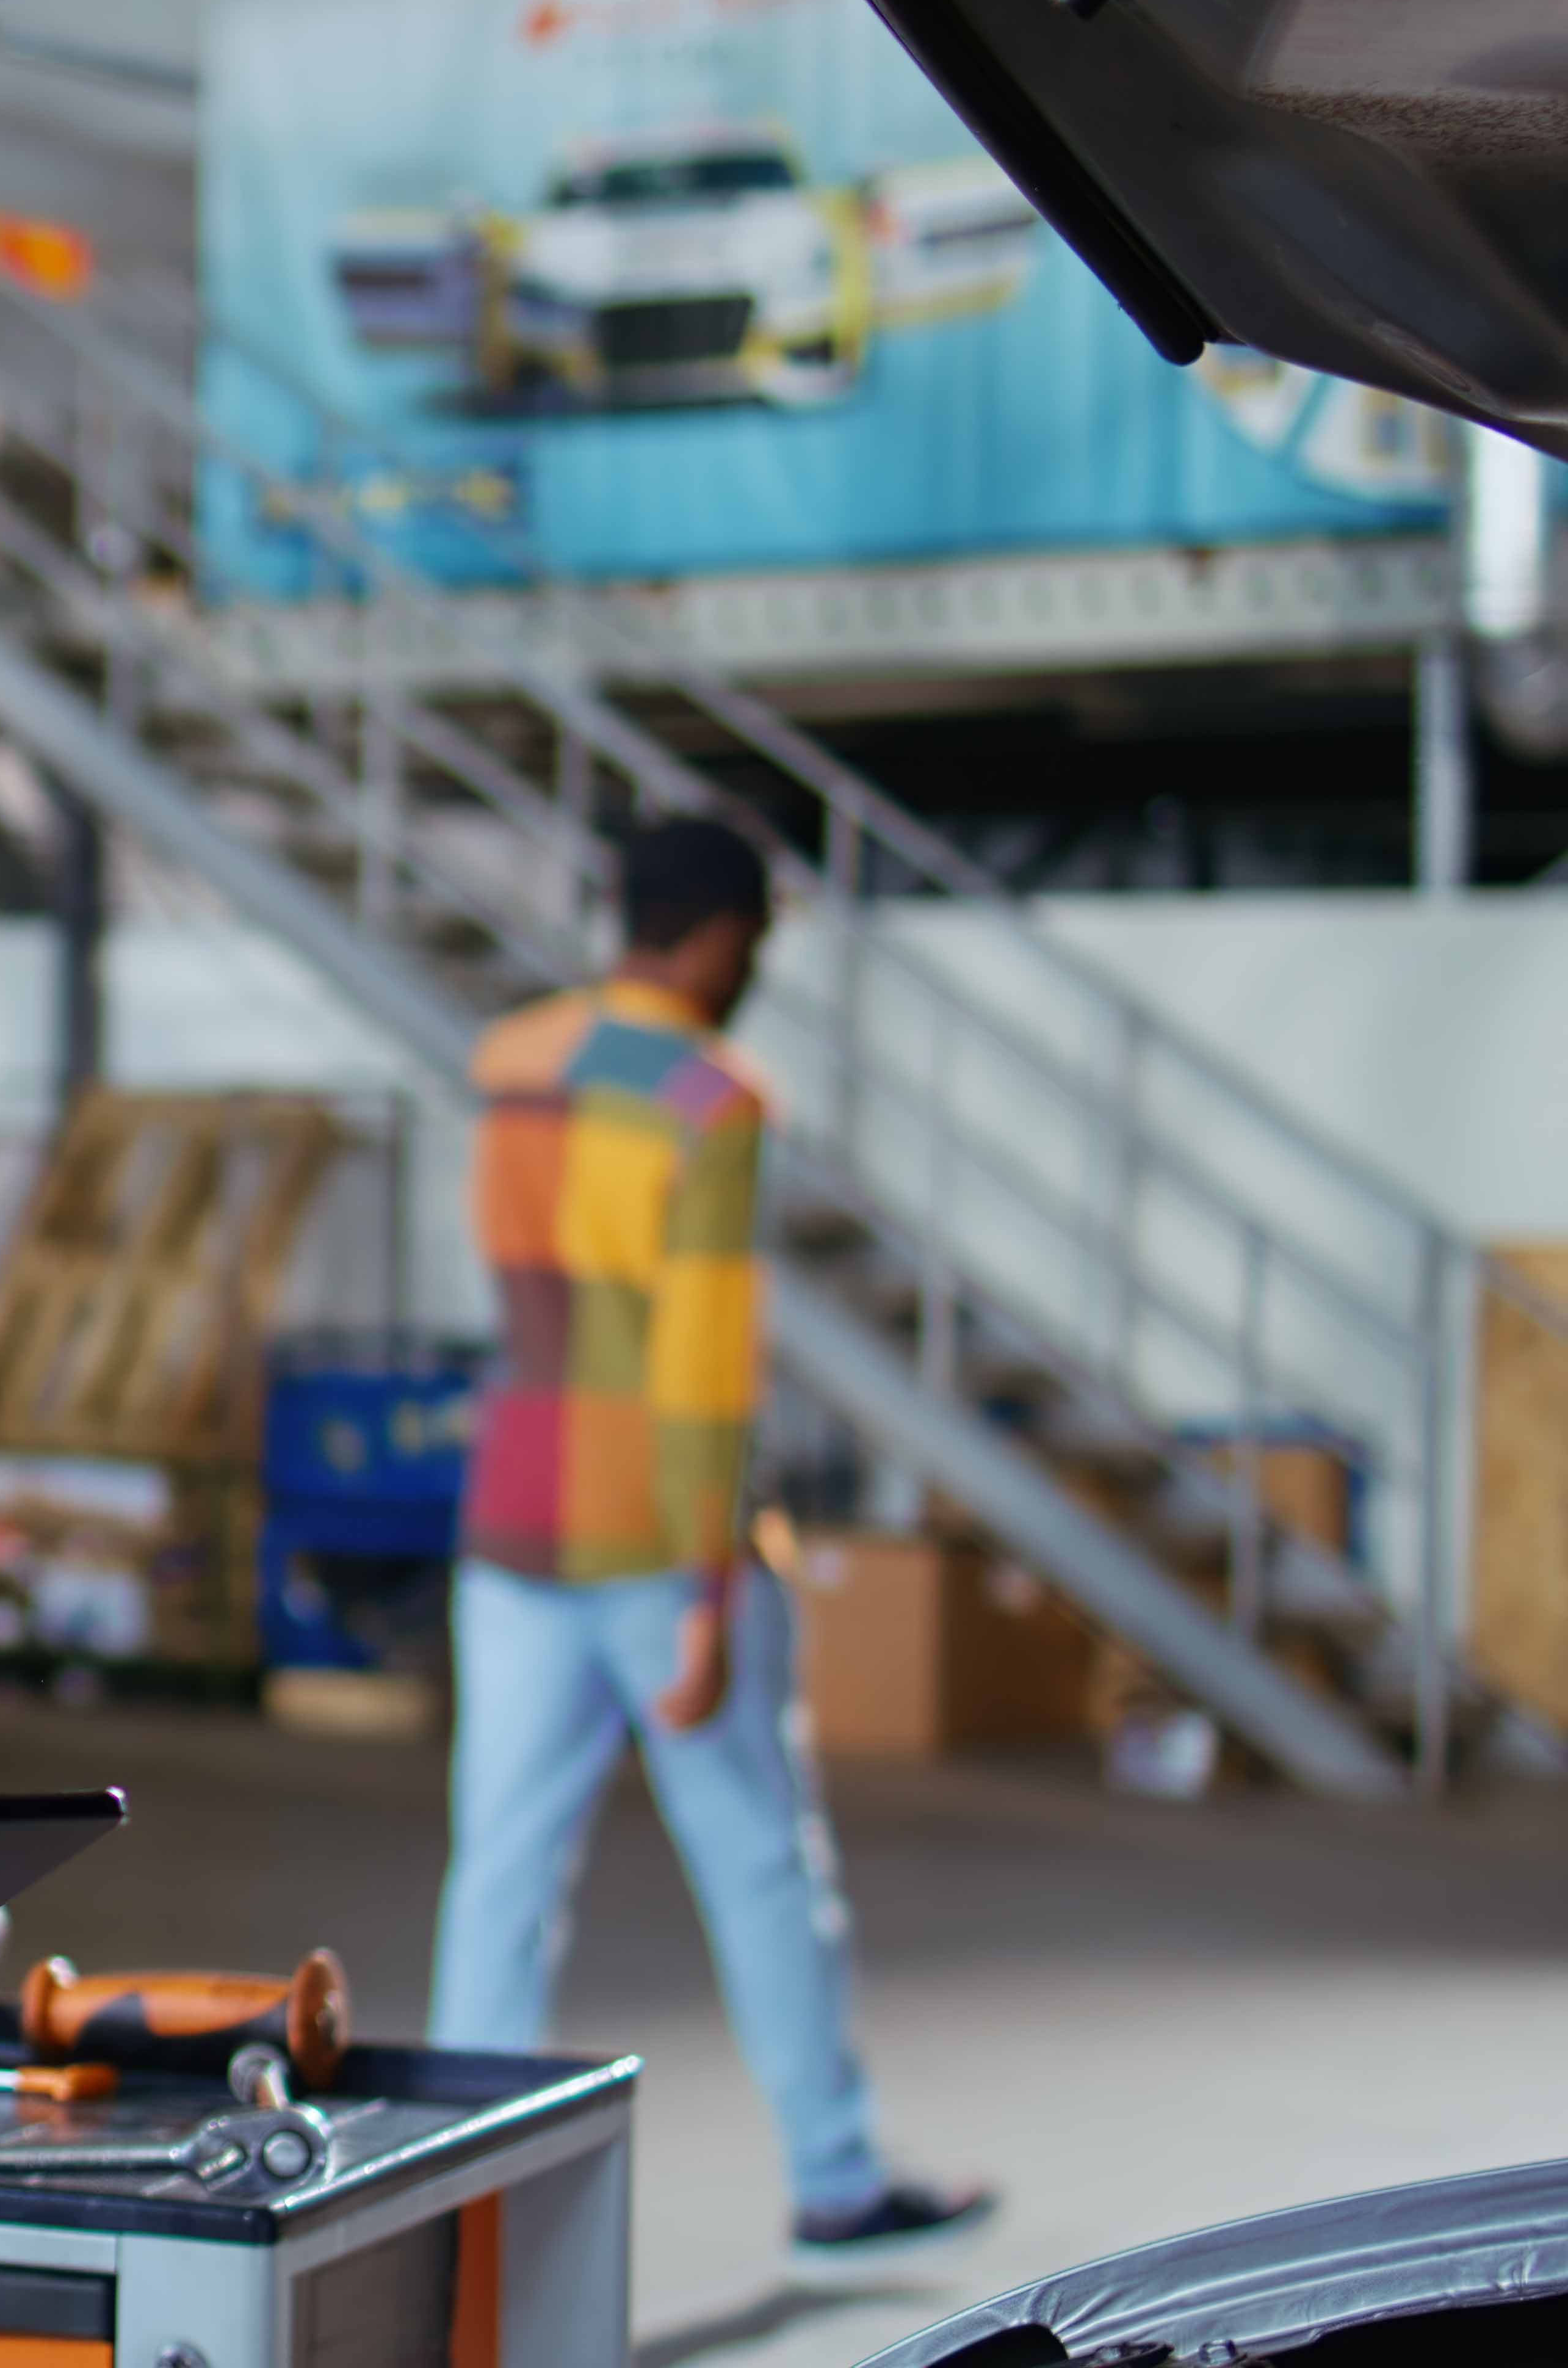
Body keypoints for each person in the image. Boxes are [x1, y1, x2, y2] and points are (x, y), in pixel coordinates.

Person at [427, 816, 991, 2272]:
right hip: (648, 1534)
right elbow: (701, 1366)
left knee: (500, 1872)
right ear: (726, 937)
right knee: (756, 1860)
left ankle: (443, 2199)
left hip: (511, 1517)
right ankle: (836, 2175)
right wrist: (714, 1586)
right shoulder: (712, 1097)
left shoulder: (511, 1064)